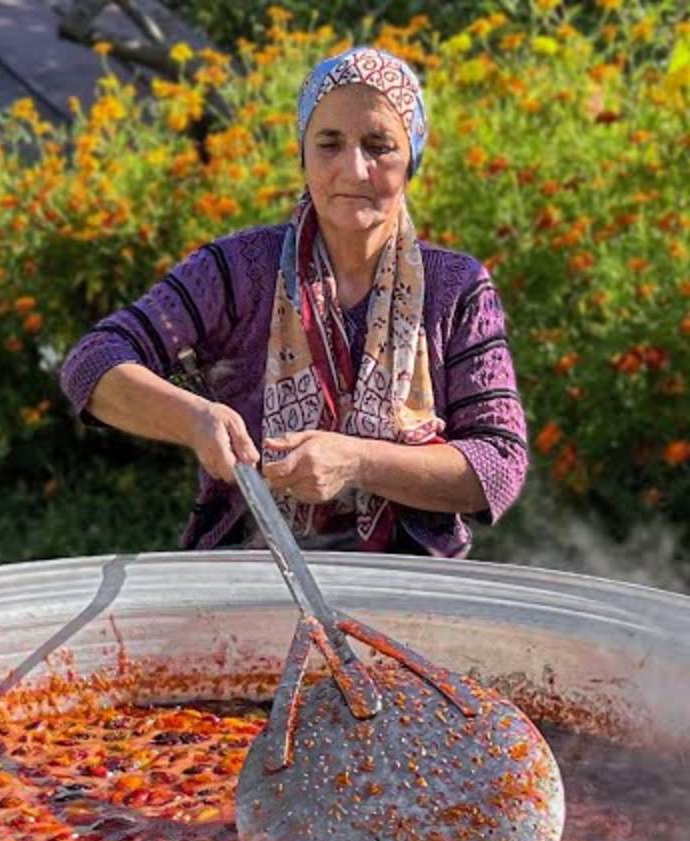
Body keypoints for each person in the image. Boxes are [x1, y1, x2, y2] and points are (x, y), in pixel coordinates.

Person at [59, 46, 528, 557]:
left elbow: (497, 464)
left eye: (380, 145)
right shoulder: (239, 271)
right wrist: (195, 419)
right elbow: (94, 363)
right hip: (251, 574)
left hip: (411, 587)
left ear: (411, 157)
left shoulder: (456, 289)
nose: (354, 169)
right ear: (301, 153)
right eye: (329, 143)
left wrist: (358, 461)